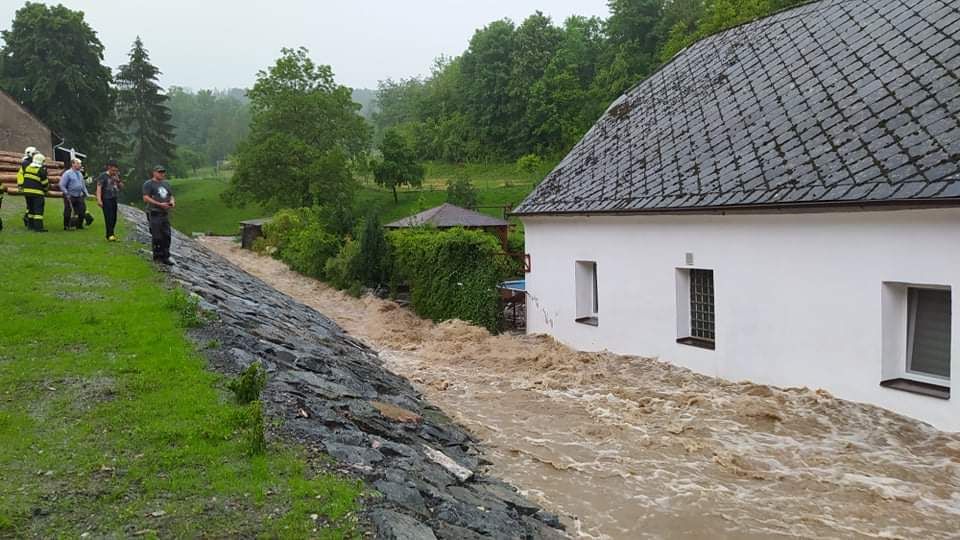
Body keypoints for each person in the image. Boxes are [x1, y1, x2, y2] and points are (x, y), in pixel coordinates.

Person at [142, 165, 175, 265]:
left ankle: (166, 255)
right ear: (154, 173)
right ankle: (157, 256)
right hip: (154, 212)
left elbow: (171, 195)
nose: (162, 174)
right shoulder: (148, 184)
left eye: (163, 172)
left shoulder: (166, 183)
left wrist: (172, 202)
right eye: (159, 172)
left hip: (164, 213)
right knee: (157, 236)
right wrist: (159, 204)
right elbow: (145, 198)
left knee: (167, 235)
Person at [18, 153, 49, 232]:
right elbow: (45, 183)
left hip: (27, 192)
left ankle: (30, 226)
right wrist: (46, 190)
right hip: (37, 193)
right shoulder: (41, 170)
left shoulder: (28, 168)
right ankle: (38, 228)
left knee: (30, 209)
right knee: (38, 211)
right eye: (43, 161)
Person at [59, 158, 91, 230]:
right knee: (68, 210)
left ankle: (79, 225)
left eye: (80, 164)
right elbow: (61, 185)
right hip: (70, 195)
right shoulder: (67, 173)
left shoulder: (80, 174)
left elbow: (83, 185)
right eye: (78, 164)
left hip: (79, 195)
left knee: (82, 210)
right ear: (73, 164)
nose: (80, 165)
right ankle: (66, 226)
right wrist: (66, 193)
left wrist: (86, 193)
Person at [96, 159, 124, 241]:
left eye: (116, 170)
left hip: (114, 197)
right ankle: (109, 235)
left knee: (114, 217)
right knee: (109, 217)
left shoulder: (117, 176)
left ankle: (111, 234)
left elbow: (122, 187)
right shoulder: (103, 176)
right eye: (113, 170)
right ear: (109, 168)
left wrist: (118, 180)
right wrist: (99, 200)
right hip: (106, 198)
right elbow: (99, 188)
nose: (114, 172)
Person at [17, 146, 37, 228]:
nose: (35, 155)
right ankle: (27, 219)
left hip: (29, 186)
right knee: (31, 205)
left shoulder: (29, 162)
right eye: (34, 153)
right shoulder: (26, 163)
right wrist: (20, 185)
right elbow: (20, 175)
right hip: (28, 186)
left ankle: (28, 219)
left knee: (30, 205)